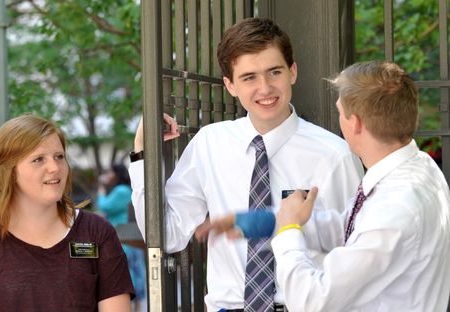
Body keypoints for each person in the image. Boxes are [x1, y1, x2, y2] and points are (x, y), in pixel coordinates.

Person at [130, 17, 364, 311]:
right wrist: (142, 155)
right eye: (249, 77)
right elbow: (167, 236)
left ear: (292, 72)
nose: (264, 88)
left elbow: (356, 253)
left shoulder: (335, 155)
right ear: (229, 85)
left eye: (274, 72)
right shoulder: (208, 145)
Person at [206, 60, 450, 311]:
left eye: (340, 112)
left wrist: (288, 230)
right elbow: (349, 227)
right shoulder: (417, 168)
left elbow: (313, 300)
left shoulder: (396, 206)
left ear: (354, 123)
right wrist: (270, 221)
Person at [0, 114, 134, 312]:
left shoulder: (97, 232)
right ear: (10, 172)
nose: (55, 168)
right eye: (38, 159)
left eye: (59, 157)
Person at [97, 163, 146, 311]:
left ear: (116, 174)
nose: (108, 176)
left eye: (110, 172)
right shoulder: (123, 190)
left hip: (125, 238)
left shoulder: (121, 191)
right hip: (127, 237)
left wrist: (100, 189)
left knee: (129, 275)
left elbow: (105, 206)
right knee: (135, 275)